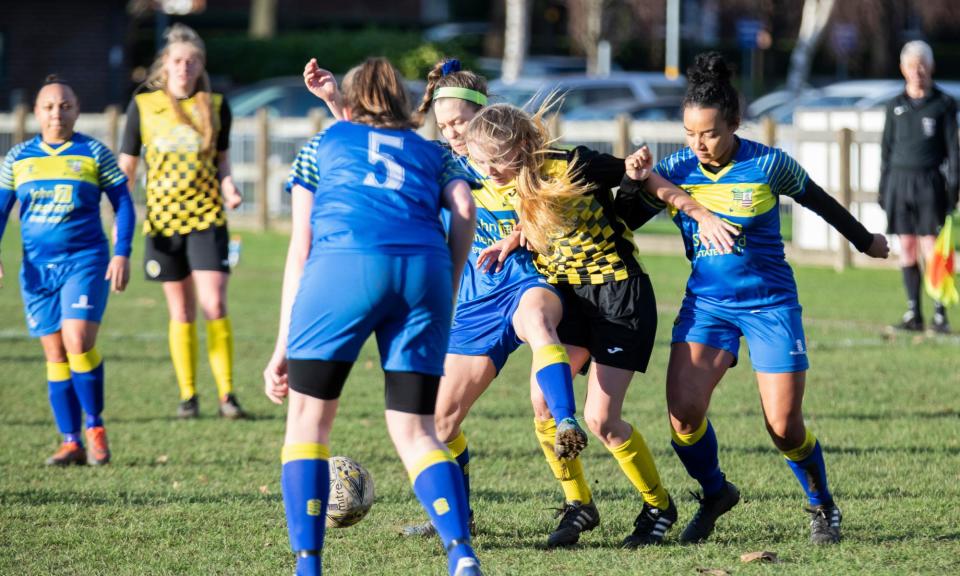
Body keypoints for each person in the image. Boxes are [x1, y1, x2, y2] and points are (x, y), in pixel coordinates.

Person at [302, 57, 591, 547]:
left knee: (539, 331)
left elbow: (563, 202)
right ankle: (462, 517)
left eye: (461, 122)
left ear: (484, 118)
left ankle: (572, 452)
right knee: (439, 421)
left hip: (525, 284)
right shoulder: (445, 162)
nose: (453, 132)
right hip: (473, 301)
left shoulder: (515, 155)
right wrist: (334, 101)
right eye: (446, 123)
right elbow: (375, 148)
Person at [620, 52, 889, 546]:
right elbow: (628, 219)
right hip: (708, 306)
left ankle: (821, 503)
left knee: (784, 427)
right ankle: (715, 492)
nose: (698, 144)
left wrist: (864, 239)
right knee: (683, 414)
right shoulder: (677, 167)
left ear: (735, 123)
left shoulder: (767, 163)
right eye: (689, 133)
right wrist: (634, 182)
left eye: (709, 133)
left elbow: (820, 201)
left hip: (770, 305)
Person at [463, 102, 738, 547]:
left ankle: (658, 505)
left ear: (521, 146)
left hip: (618, 297)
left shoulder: (574, 165)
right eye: (481, 161)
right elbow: (541, 220)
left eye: (495, 159)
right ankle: (579, 506)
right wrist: (511, 241)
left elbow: (645, 179)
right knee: (543, 402)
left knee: (601, 419)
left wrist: (699, 213)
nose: (488, 170)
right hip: (569, 298)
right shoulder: (510, 180)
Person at [263, 57, 482, 576]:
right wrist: (446, 284)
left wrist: (281, 344)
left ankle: (308, 565)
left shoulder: (323, 144)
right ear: (406, 104)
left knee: (308, 425)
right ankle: (462, 554)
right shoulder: (433, 153)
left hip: (343, 268)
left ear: (353, 102)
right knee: (416, 430)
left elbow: (301, 247)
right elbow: (466, 210)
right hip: (421, 272)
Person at [0, 76, 134, 466]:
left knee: (77, 340)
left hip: (86, 261)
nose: (57, 112)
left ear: (76, 109)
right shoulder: (18, 158)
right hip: (37, 271)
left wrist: (121, 252)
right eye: (49, 106)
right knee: (56, 353)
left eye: (65, 105)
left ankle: (94, 426)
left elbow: (123, 203)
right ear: (36, 112)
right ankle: (70, 441)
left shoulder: (94, 153)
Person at [118, 24, 245, 419]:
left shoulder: (216, 105)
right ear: (165, 64)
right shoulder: (143, 106)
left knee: (214, 304)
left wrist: (230, 190)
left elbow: (222, 163)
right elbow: (127, 167)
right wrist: (116, 209)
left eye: (192, 61)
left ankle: (227, 395)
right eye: (177, 61)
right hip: (162, 223)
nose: (184, 68)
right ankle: (188, 396)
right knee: (181, 312)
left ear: (200, 66)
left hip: (207, 219)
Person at [880, 40, 958, 334]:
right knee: (907, 246)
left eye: (922, 64)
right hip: (900, 184)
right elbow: (885, 150)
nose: (918, 70)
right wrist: (883, 188)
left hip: (930, 183)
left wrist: (954, 187)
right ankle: (914, 311)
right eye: (912, 65)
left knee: (930, 247)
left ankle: (940, 312)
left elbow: (953, 151)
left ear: (931, 67)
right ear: (903, 69)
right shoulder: (894, 106)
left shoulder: (944, 104)